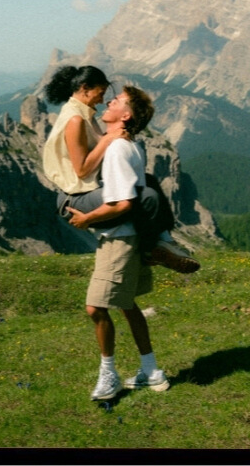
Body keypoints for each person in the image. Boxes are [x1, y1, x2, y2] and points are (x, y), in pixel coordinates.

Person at [66, 85, 171, 401]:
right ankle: (151, 371)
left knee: (95, 308)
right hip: (132, 236)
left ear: (126, 115)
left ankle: (108, 376)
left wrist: (87, 219)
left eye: (118, 101)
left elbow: (122, 203)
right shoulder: (128, 145)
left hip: (119, 238)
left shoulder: (117, 150)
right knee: (126, 303)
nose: (109, 100)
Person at [42, 65, 199, 273]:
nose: (102, 100)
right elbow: (81, 170)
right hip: (75, 197)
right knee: (148, 197)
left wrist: (119, 137)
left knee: (148, 180)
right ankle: (151, 250)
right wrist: (109, 138)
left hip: (86, 190)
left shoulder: (83, 115)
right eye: (100, 93)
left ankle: (165, 241)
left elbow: (101, 146)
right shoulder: (75, 119)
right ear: (85, 88)